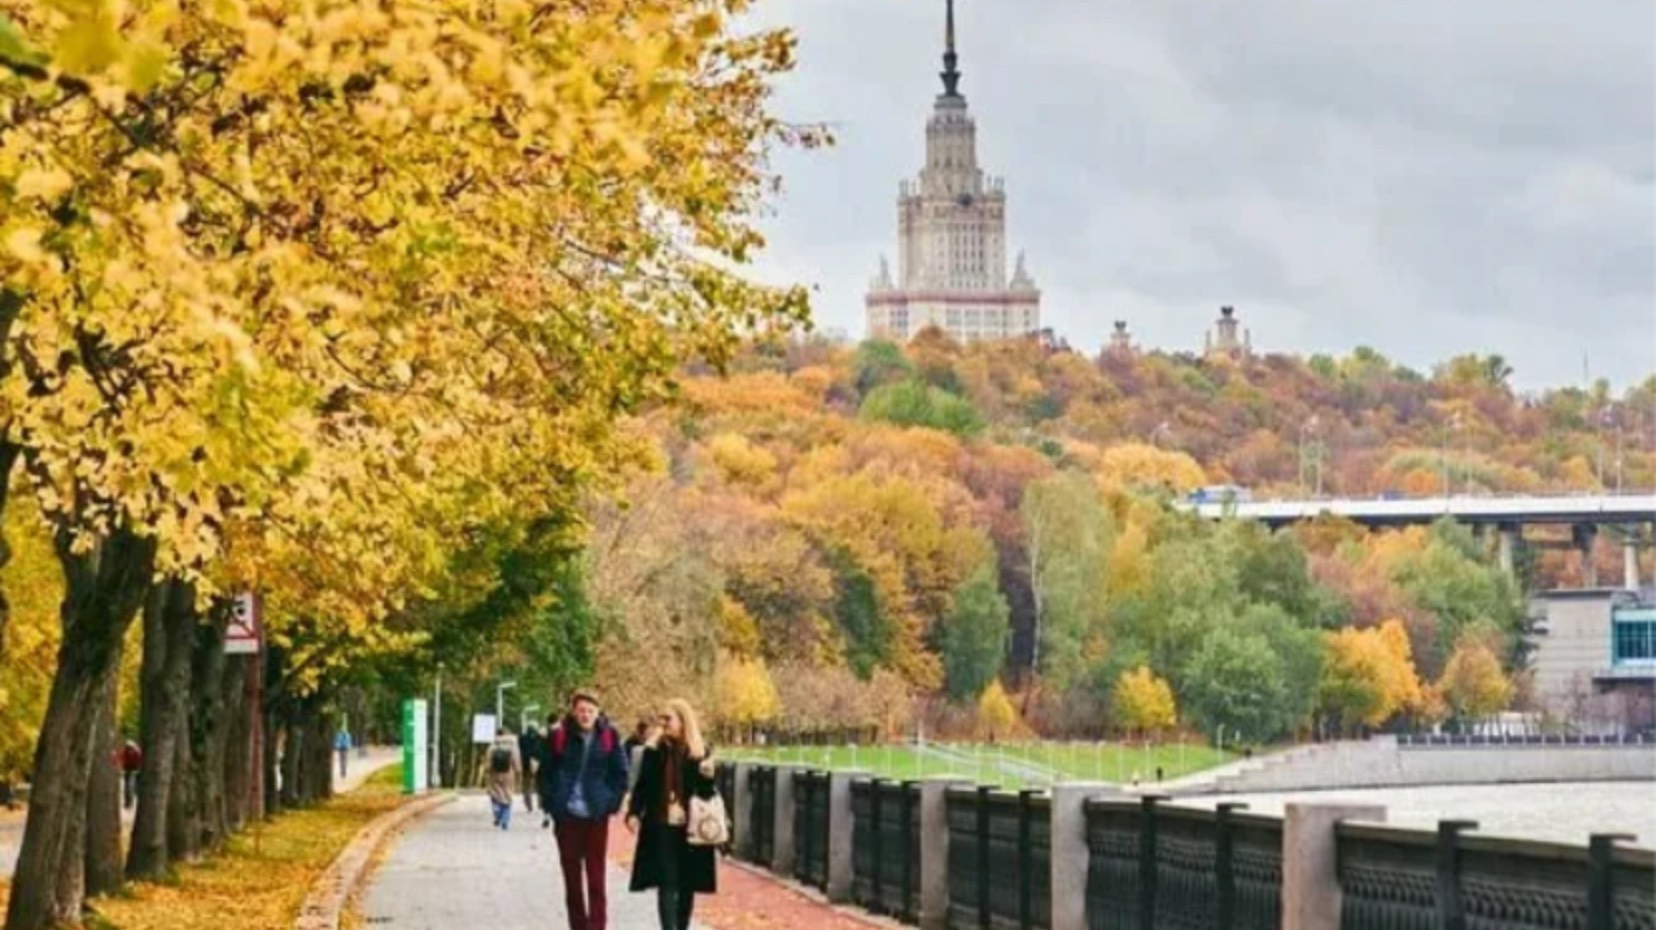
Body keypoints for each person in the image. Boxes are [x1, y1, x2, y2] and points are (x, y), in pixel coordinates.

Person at [627, 698, 717, 930]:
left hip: (691, 827)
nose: (663, 723)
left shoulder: (699, 752)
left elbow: (707, 795)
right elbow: (643, 786)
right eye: (661, 718)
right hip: (661, 823)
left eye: (668, 718)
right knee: (666, 881)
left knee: (687, 883)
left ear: (683, 721)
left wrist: (707, 777)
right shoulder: (654, 751)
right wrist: (634, 813)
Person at [546, 691, 629, 930]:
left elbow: (620, 773)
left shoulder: (609, 736)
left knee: (596, 876)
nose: (585, 715)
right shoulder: (559, 736)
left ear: (597, 712)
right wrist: (552, 804)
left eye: (590, 711)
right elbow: (546, 773)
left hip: (595, 815)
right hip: (567, 815)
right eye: (581, 710)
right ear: (574, 711)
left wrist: (610, 803)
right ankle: (578, 925)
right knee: (572, 878)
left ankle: (597, 925)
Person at [486, 727, 522, 830]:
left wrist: (487, 770)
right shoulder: (512, 745)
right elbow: (516, 760)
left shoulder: (492, 746)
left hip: (494, 774)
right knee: (507, 796)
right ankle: (505, 821)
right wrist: (518, 771)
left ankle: (497, 812)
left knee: (495, 794)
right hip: (508, 774)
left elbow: (488, 761)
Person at [519, 725, 543, 814]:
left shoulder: (522, 738)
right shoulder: (540, 738)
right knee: (540, 784)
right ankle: (540, 804)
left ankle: (529, 805)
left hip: (525, 764)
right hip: (539, 763)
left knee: (526, 786)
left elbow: (519, 751)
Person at [118, 738, 143, 811]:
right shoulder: (125, 751)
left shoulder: (137, 752)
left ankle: (131, 802)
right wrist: (121, 767)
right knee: (126, 787)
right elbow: (121, 757)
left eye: (130, 748)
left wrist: (138, 770)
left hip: (135, 770)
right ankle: (127, 802)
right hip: (127, 769)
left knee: (131, 786)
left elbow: (140, 761)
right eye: (128, 747)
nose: (129, 749)